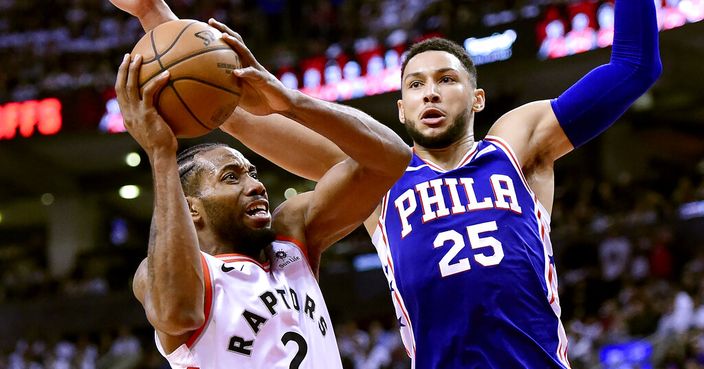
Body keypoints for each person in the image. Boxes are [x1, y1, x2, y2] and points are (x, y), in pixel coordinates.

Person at [112, 0, 661, 367]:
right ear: (398, 109)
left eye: (447, 80)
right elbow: (217, 100)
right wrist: (153, 12)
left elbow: (633, 67)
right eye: (415, 84)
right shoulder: (381, 180)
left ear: (476, 99)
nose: (430, 92)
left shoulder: (515, 145)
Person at [113, 16, 410, 369]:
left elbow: (390, 159)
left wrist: (290, 102)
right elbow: (178, 313)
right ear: (192, 208)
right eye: (230, 177)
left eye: (252, 173)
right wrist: (160, 154)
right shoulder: (161, 272)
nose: (255, 185)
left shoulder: (293, 234)